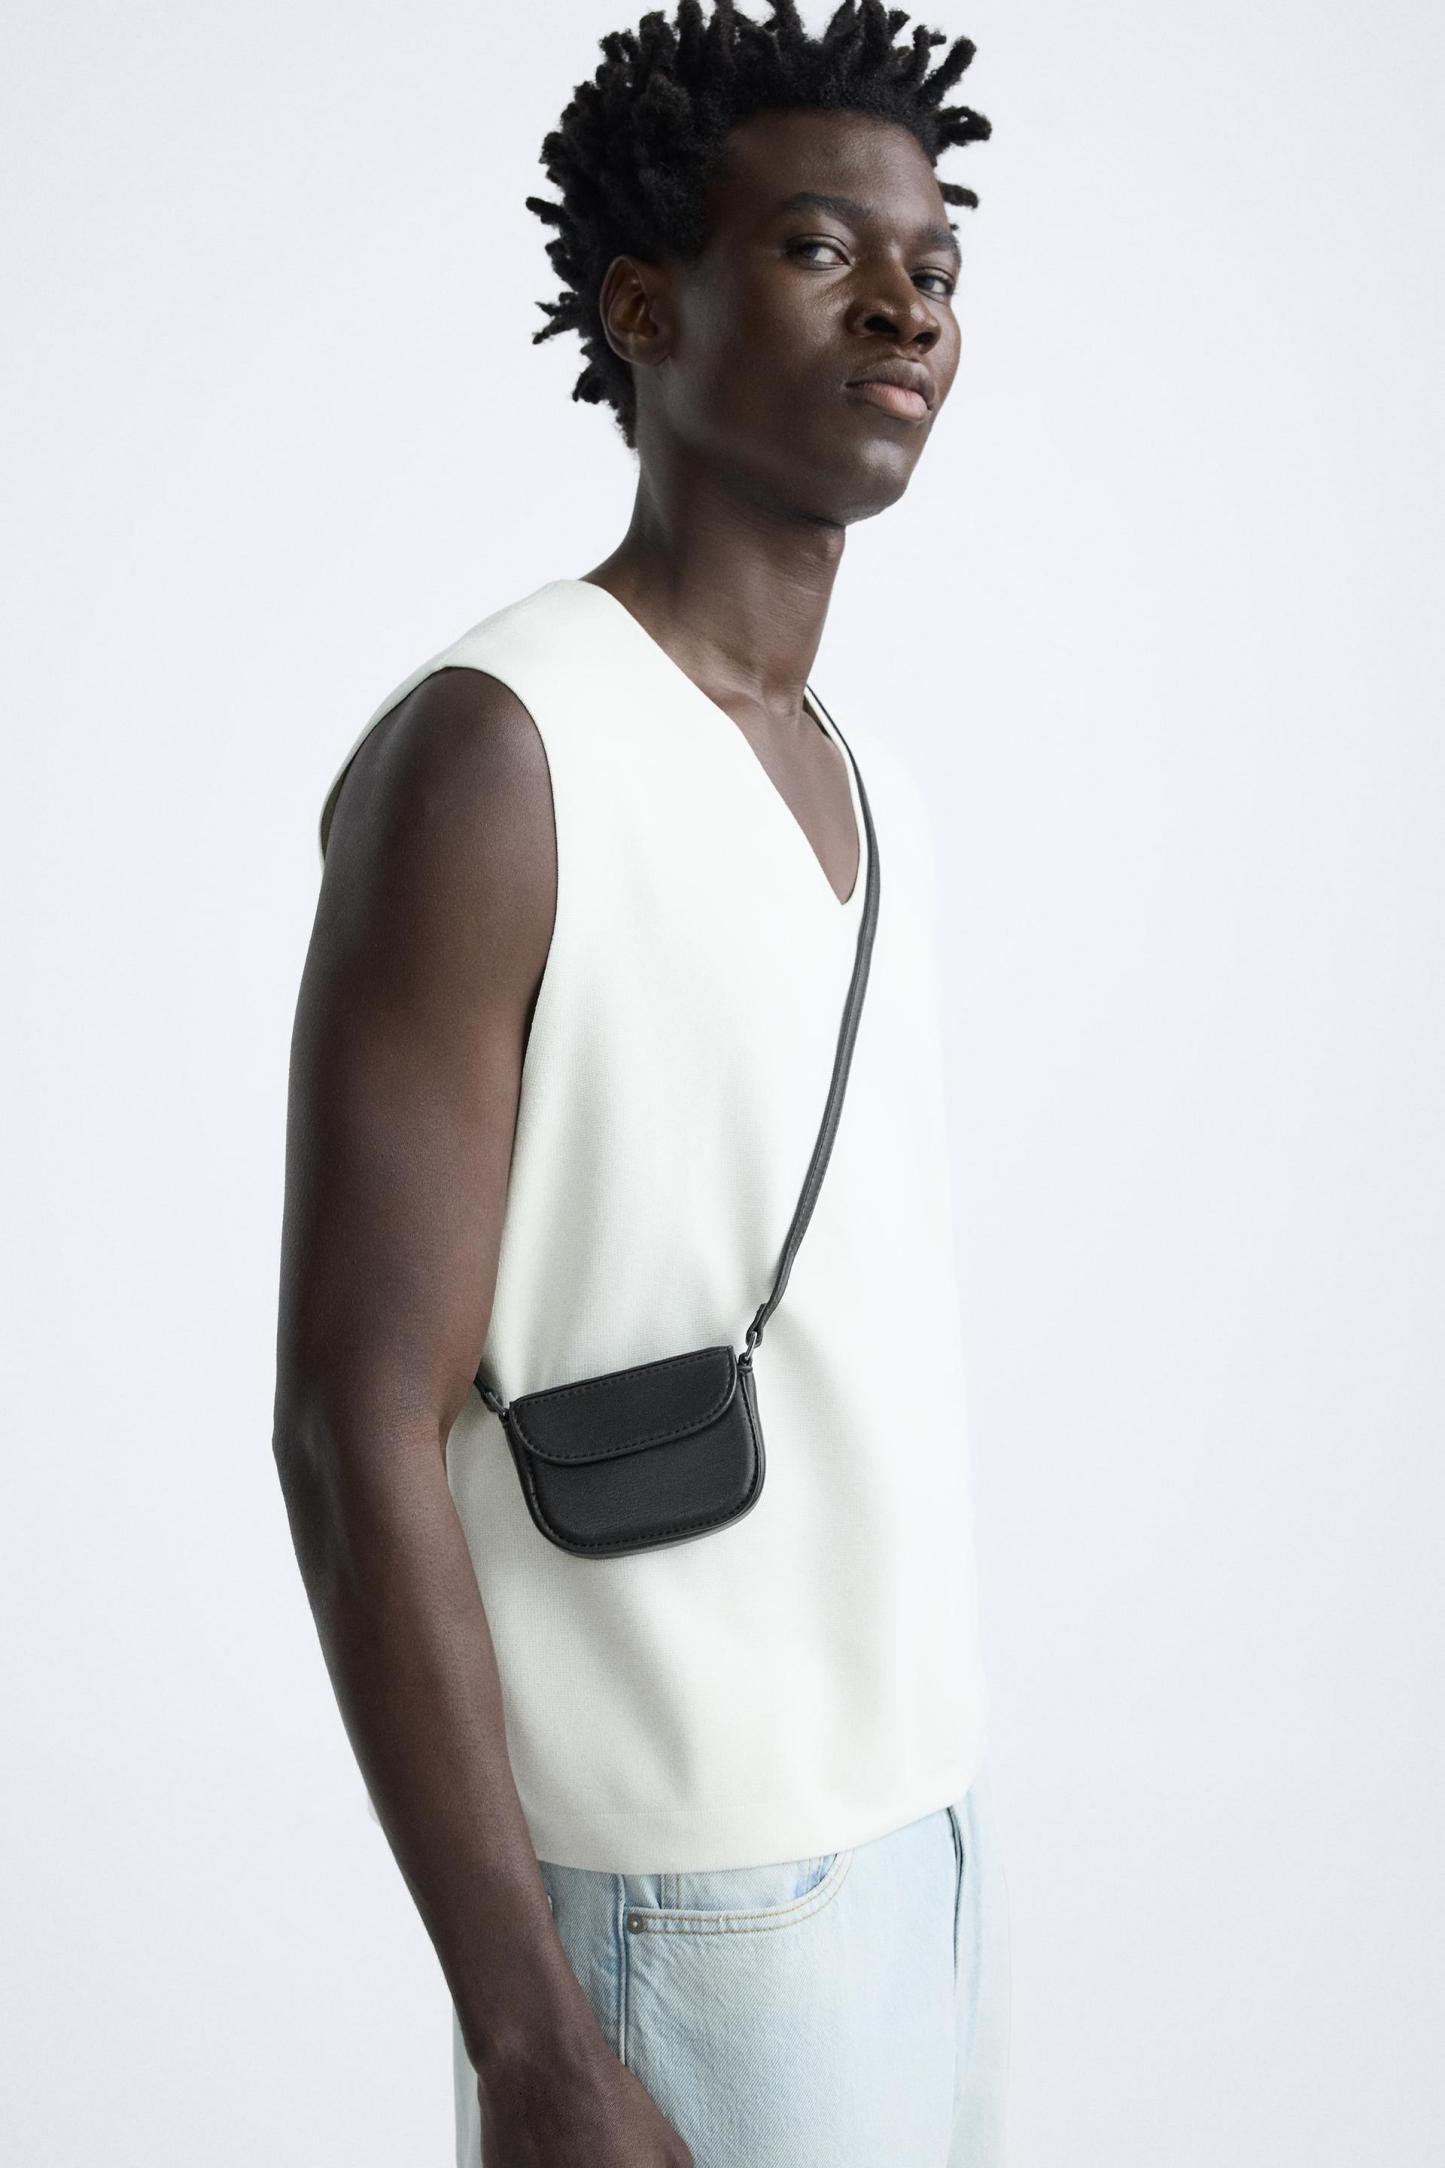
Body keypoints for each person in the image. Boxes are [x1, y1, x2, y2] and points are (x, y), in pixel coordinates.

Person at [272, 3, 1009, 2161]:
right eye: (819, 248)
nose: (904, 308)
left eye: (936, 267)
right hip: (679, 1902)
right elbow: (350, 1423)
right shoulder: (495, 755)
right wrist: (528, 2034)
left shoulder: (862, 776)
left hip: (929, 1836)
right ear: (645, 307)